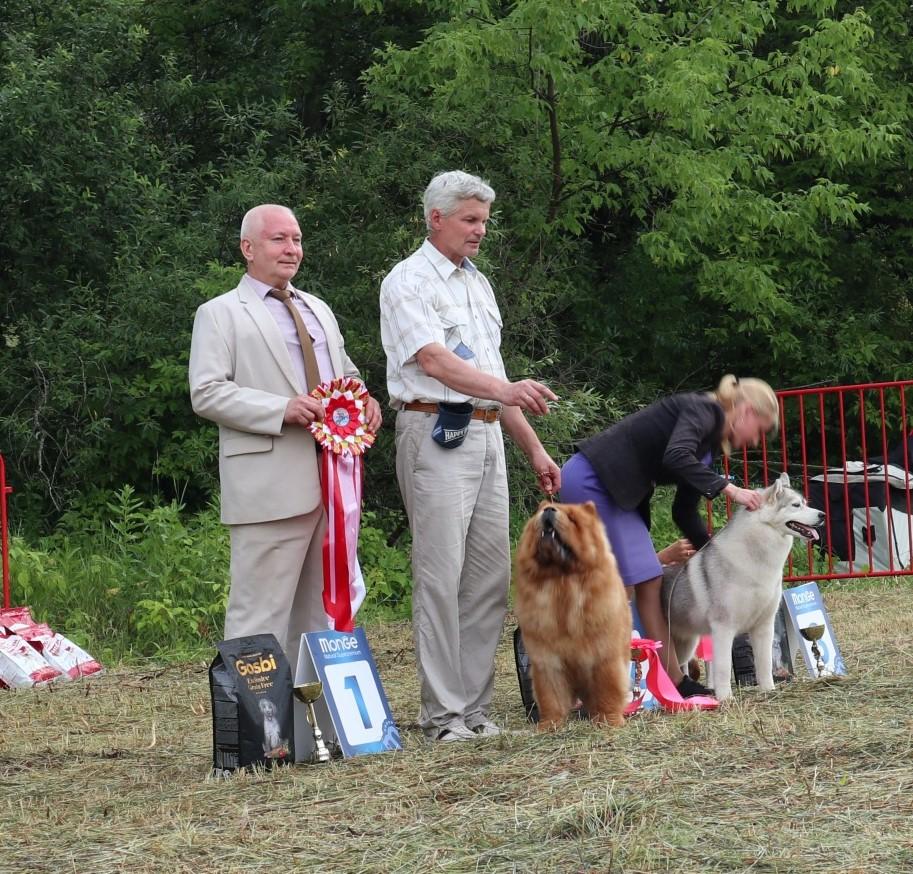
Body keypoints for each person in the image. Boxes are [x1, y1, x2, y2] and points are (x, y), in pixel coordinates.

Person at [379, 170, 560, 742]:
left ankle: (474, 711)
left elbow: (493, 378)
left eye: (484, 220)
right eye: (470, 220)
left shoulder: (478, 285)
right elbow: (433, 361)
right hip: (433, 431)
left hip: (486, 436)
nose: (481, 230)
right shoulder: (407, 281)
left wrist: (533, 447)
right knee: (441, 575)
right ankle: (442, 716)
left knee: (487, 578)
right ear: (437, 219)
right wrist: (505, 392)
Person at [189, 204, 382, 672]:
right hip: (267, 488)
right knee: (259, 617)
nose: (291, 248)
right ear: (247, 248)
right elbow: (207, 393)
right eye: (278, 239)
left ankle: (312, 734)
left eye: (296, 239)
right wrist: (281, 409)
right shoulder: (218, 314)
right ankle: (257, 738)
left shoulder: (319, 308)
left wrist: (366, 401)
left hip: (333, 489)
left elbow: (346, 375)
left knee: (322, 617)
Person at [560, 375, 779, 696]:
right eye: (760, 429)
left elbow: (684, 513)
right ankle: (589, 686)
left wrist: (720, 559)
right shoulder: (702, 410)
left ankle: (676, 683)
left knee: (649, 577)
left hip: (619, 492)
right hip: (593, 479)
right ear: (745, 411)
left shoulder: (706, 450)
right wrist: (729, 487)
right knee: (618, 586)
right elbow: (676, 455)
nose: (757, 440)